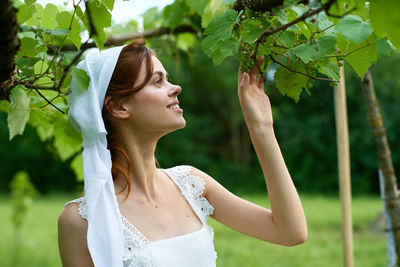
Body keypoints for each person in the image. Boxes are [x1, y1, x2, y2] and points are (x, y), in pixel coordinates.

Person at [58, 40, 307, 267]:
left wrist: (262, 128)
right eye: (157, 81)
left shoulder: (191, 184)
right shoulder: (80, 221)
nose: (175, 87)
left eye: (168, 79)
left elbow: (290, 232)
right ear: (119, 106)